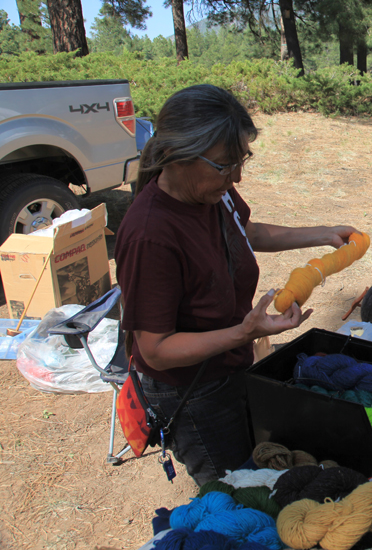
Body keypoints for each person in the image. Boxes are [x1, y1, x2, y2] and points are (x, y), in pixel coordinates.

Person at [114, 84, 359, 486]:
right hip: (194, 395)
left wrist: (324, 233)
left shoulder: (213, 191)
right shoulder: (150, 235)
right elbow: (155, 351)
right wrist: (245, 332)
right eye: (225, 165)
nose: (237, 176)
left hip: (232, 369)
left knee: (257, 470)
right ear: (178, 155)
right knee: (233, 490)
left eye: (242, 160)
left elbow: (246, 232)